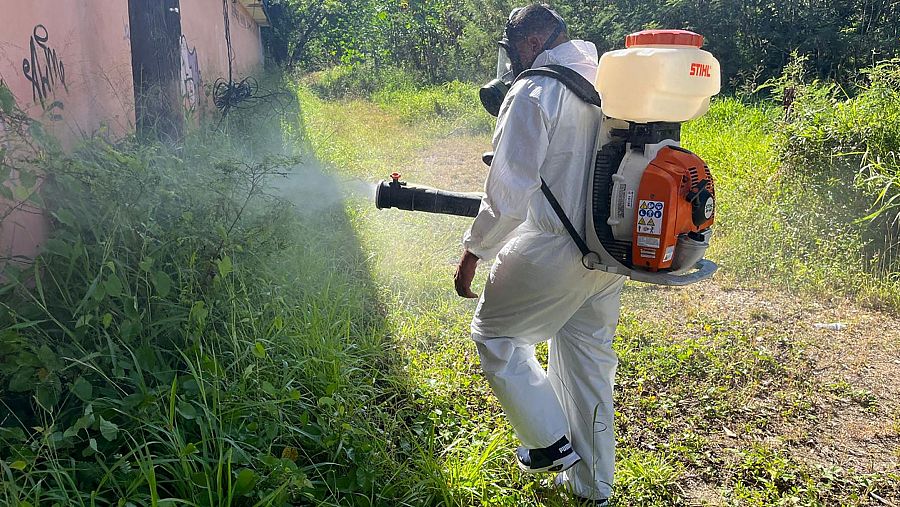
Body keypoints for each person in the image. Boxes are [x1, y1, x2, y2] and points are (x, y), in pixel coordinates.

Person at [453, 4, 625, 504]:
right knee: (586, 364)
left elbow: (509, 192)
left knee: (496, 336)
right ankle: (593, 486)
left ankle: (550, 447)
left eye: (512, 50)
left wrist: (473, 252)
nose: (510, 62)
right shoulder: (607, 80)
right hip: (608, 252)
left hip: (555, 249)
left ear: (529, 43)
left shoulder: (534, 91)